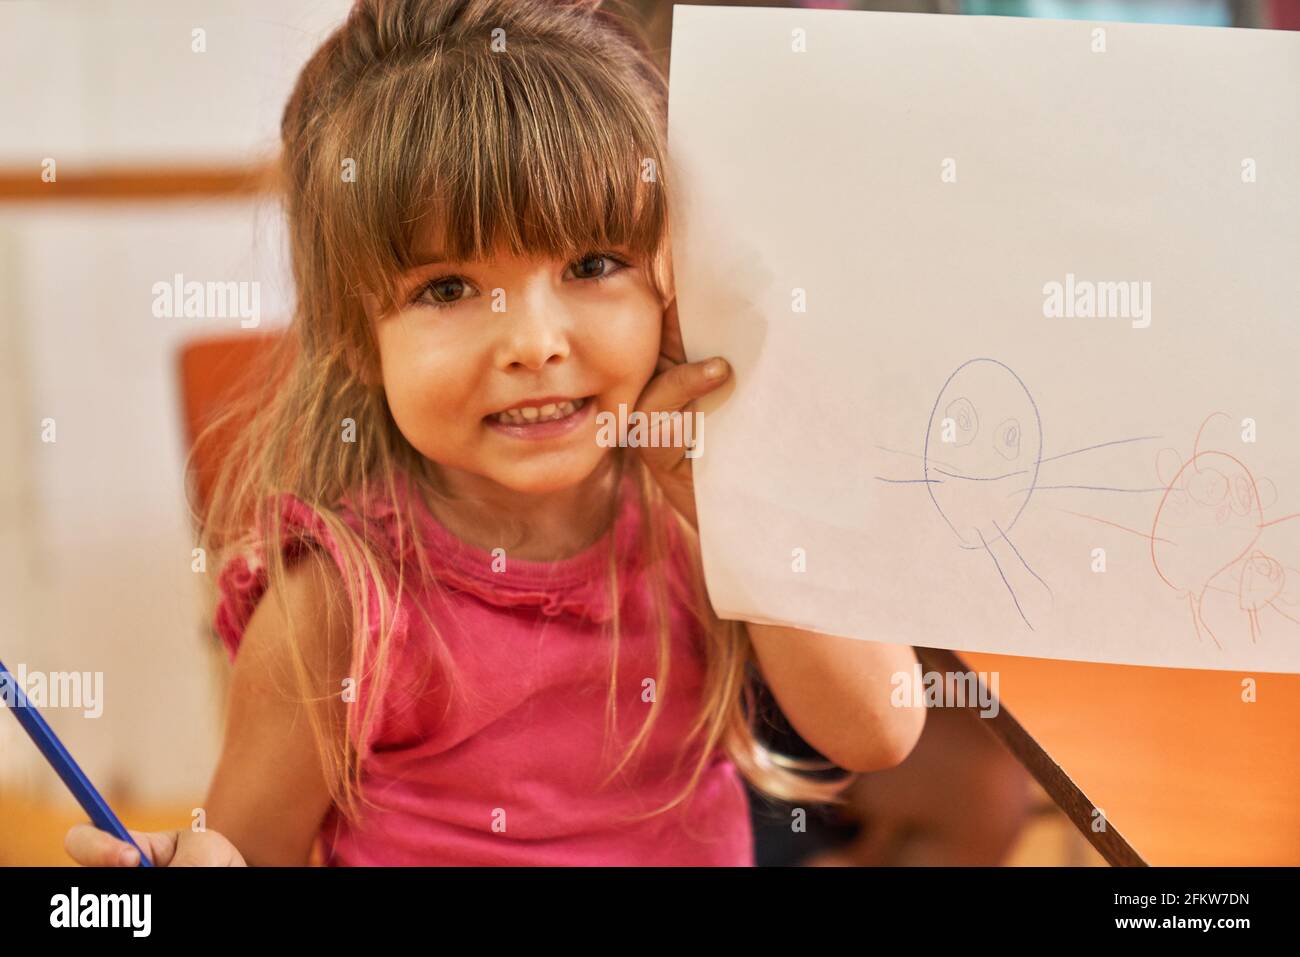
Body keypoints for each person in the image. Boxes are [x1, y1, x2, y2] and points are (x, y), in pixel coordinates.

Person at [64, 0, 923, 867]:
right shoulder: (338, 605)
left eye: (592, 265)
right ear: (360, 336)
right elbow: (246, 852)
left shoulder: (699, 516)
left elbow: (882, 728)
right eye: (447, 289)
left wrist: (734, 507)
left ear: (672, 278)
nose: (533, 341)